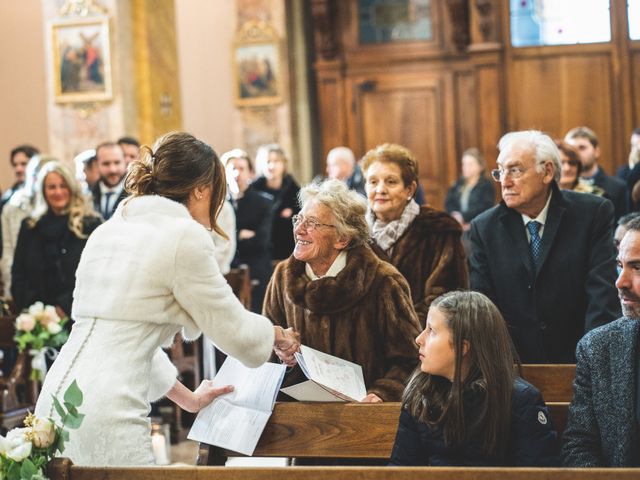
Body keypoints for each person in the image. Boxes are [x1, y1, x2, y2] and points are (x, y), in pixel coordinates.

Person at [34, 132, 299, 466]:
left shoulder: (107, 232)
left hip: (58, 399)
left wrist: (187, 398)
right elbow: (233, 329)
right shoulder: (183, 236)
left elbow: (129, 338)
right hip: (111, 408)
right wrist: (278, 335)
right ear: (202, 188)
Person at [263, 179, 422, 402]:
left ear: (342, 239)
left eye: (313, 223)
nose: (299, 229)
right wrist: (284, 357)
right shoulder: (283, 276)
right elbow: (264, 355)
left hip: (363, 417)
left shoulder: (383, 281)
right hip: (300, 416)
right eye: (298, 219)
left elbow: (410, 360)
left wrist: (381, 393)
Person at [469, 130, 620, 363]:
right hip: (512, 367)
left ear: (547, 171)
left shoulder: (592, 214)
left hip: (580, 359)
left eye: (516, 170)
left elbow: (602, 298)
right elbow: (484, 309)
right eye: (500, 171)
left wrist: (592, 364)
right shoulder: (484, 228)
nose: (505, 182)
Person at [390, 291, 559, 467]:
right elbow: (400, 470)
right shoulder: (421, 396)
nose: (419, 339)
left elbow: (539, 473)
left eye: (431, 330)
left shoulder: (521, 401)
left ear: (463, 347)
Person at [563, 216, 640, 467]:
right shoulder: (598, 348)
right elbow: (579, 446)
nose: (620, 282)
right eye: (620, 266)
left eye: (637, 267)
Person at [362, 143, 469, 323]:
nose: (380, 190)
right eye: (373, 181)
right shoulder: (352, 233)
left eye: (391, 181)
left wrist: (395, 333)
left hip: (420, 342)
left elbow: (446, 303)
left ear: (410, 189)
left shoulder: (439, 231)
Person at [11, 162, 101, 317]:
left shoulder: (89, 225)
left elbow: (96, 274)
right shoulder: (30, 226)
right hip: (36, 316)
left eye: (63, 186)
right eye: (52, 187)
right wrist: (34, 311)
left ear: (72, 189)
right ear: (44, 192)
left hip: (78, 314)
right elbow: (18, 273)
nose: (58, 192)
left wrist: (64, 308)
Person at [222, 148, 274, 312]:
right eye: (232, 169)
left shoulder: (264, 203)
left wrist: (233, 238)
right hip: (227, 270)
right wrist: (240, 235)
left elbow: (261, 242)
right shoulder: (220, 205)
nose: (237, 173)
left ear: (251, 173)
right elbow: (218, 241)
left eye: (242, 168)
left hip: (256, 269)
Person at [1, 155, 54, 299]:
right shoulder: (13, 207)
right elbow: (8, 253)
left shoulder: (60, 206)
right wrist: (14, 290)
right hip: (24, 286)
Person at [565, 126, 627, 220]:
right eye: (572, 149)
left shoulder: (618, 187)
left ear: (596, 151)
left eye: (582, 148)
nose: (576, 153)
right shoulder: (561, 186)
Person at [251, 144, 300, 260]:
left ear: (284, 164)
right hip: (261, 250)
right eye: (268, 161)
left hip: (289, 250)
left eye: (276, 161)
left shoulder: (293, 189)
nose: (271, 166)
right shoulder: (254, 190)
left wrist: (292, 213)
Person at [444, 147, 495, 228]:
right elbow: (449, 202)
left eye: (470, 164)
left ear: (480, 167)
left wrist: (463, 217)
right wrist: (455, 215)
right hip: (458, 225)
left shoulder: (486, 185)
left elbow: (484, 207)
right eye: (464, 164)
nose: (466, 167)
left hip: (479, 226)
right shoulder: (458, 183)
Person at [91, 142, 128, 220]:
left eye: (117, 162)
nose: (112, 169)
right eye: (106, 164)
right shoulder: (87, 197)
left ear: (125, 162)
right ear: (96, 165)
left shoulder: (136, 195)